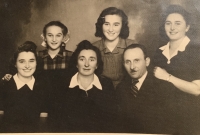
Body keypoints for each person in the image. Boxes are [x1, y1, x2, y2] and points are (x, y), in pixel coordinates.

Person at [153, 5, 200, 134]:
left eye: (177, 23)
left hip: (189, 120)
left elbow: (197, 90)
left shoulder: (196, 52)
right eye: (168, 23)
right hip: (162, 119)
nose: (172, 28)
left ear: (187, 27)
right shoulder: (159, 52)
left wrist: (168, 77)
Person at [57, 40, 116, 132]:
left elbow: (111, 121)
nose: (86, 64)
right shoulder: (63, 85)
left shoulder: (106, 85)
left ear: (97, 65)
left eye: (92, 59)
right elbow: (59, 122)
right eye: (82, 59)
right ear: (76, 63)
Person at [0, 41, 48, 132]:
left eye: (31, 61)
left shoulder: (43, 88)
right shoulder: (4, 87)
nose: (27, 66)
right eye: (22, 61)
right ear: (15, 64)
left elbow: (43, 125)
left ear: (36, 63)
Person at [116, 44, 163, 133]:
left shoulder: (161, 87)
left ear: (147, 61)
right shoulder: (120, 88)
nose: (132, 67)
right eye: (128, 62)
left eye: (136, 60)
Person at [93, 7, 135, 87]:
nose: (111, 29)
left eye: (116, 25)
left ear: (122, 26)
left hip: (128, 91)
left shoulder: (132, 46)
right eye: (106, 24)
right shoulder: (93, 48)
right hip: (102, 93)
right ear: (101, 25)